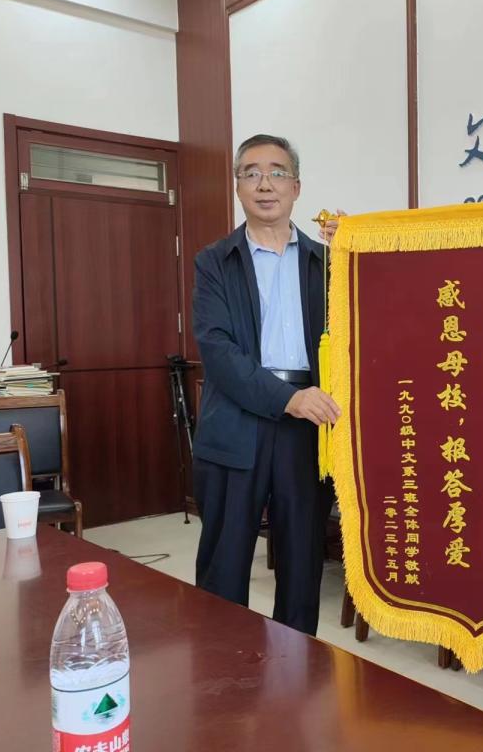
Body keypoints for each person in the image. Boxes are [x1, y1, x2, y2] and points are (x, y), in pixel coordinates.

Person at [192, 133, 340, 636]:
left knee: (302, 560)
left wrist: (356, 250)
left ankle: (296, 667)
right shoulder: (215, 261)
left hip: (309, 425)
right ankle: (221, 668)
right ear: (237, 187)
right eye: (251, 173)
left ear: (296, 187)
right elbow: (217, 350)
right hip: (237, 422)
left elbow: (366, 328)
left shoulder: (329, 263)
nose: (265, 184)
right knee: (225, 560)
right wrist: (288, 399)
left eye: (278, 173)